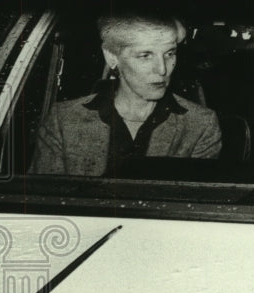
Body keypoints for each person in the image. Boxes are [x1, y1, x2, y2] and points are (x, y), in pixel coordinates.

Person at [30, 11, 222, 176]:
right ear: (112, 57)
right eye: (145, 55)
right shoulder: (64, 119)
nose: (162, 70)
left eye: (170, 53)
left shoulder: (200, 125)